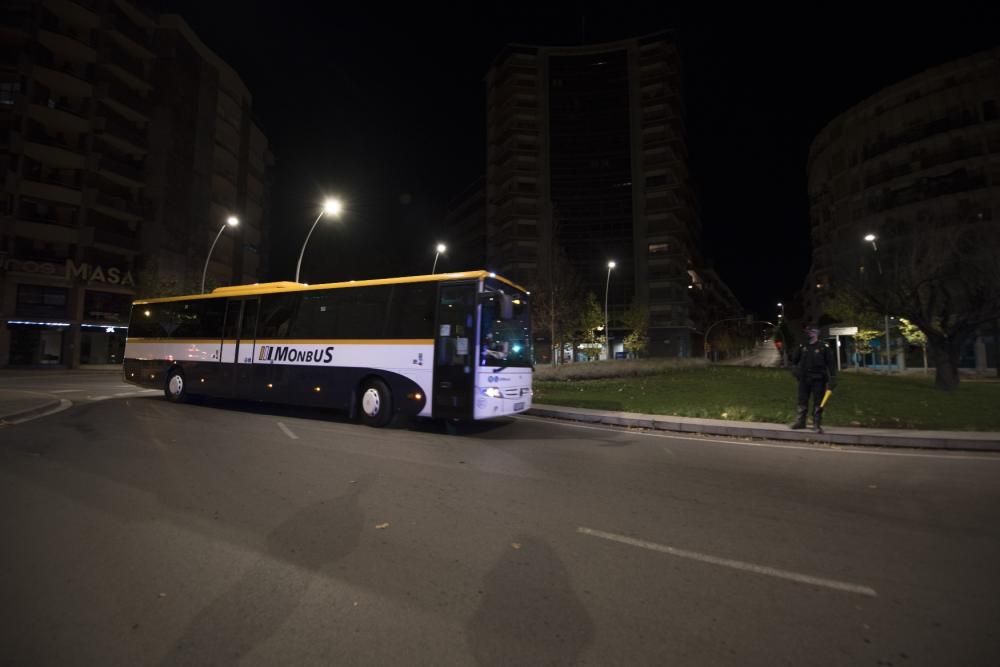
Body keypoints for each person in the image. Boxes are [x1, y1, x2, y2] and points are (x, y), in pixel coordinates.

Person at [789, 325, 837, 432]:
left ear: (817, 333)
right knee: (802, 400)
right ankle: (801, 421)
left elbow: (831, 364)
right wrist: (794, 369)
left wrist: (833, 378)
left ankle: (816, 423)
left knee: (818, 401)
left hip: (818, 378)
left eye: (812, 331)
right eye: (808, 331)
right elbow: (794, 360)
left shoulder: (824, 347)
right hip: (804, 378)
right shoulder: (803, 346)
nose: (809, 333)